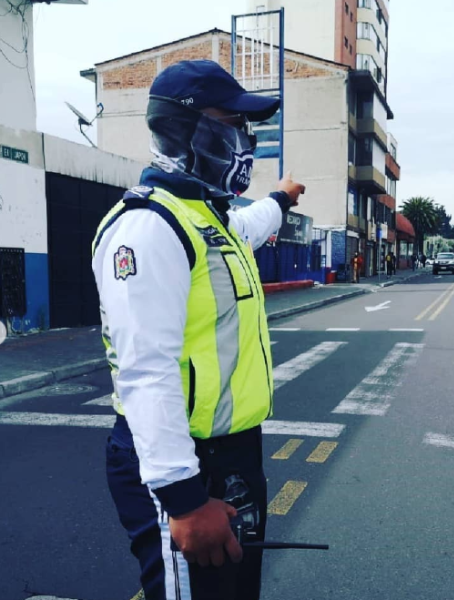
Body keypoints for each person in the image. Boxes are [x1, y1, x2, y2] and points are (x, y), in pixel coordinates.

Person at [91, 60, 305, 600]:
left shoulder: (210, 219)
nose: (245, 141)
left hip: (231, 454)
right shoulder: (148, 228)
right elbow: (145, 371)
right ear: (186, 129)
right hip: (185, 465)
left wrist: (281, 199)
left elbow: (250, 224)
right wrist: (184, 500)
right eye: (233, 124)